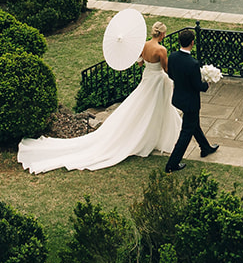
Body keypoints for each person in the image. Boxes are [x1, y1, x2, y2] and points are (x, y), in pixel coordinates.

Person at [17, 21, 181, 173]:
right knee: (157, 106)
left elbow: (139, 63)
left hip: (147, 78)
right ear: (162, 34)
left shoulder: (144, 45)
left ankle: (151, 133)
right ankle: (152, 135)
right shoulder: (161, 50)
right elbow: (165, 69)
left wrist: (143, 59)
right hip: (158, 80)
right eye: (164, 34)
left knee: (146, 106)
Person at [164, 27, 218, 172]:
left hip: (179, 98)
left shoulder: (173, 56)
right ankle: (172, 164)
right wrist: (207, 83)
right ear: (192, 43)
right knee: (186, 132)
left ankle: (205, 148)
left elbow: (171, 75)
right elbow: (198, 86)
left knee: (193, 124)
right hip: (190, 103)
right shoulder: (193, 63)